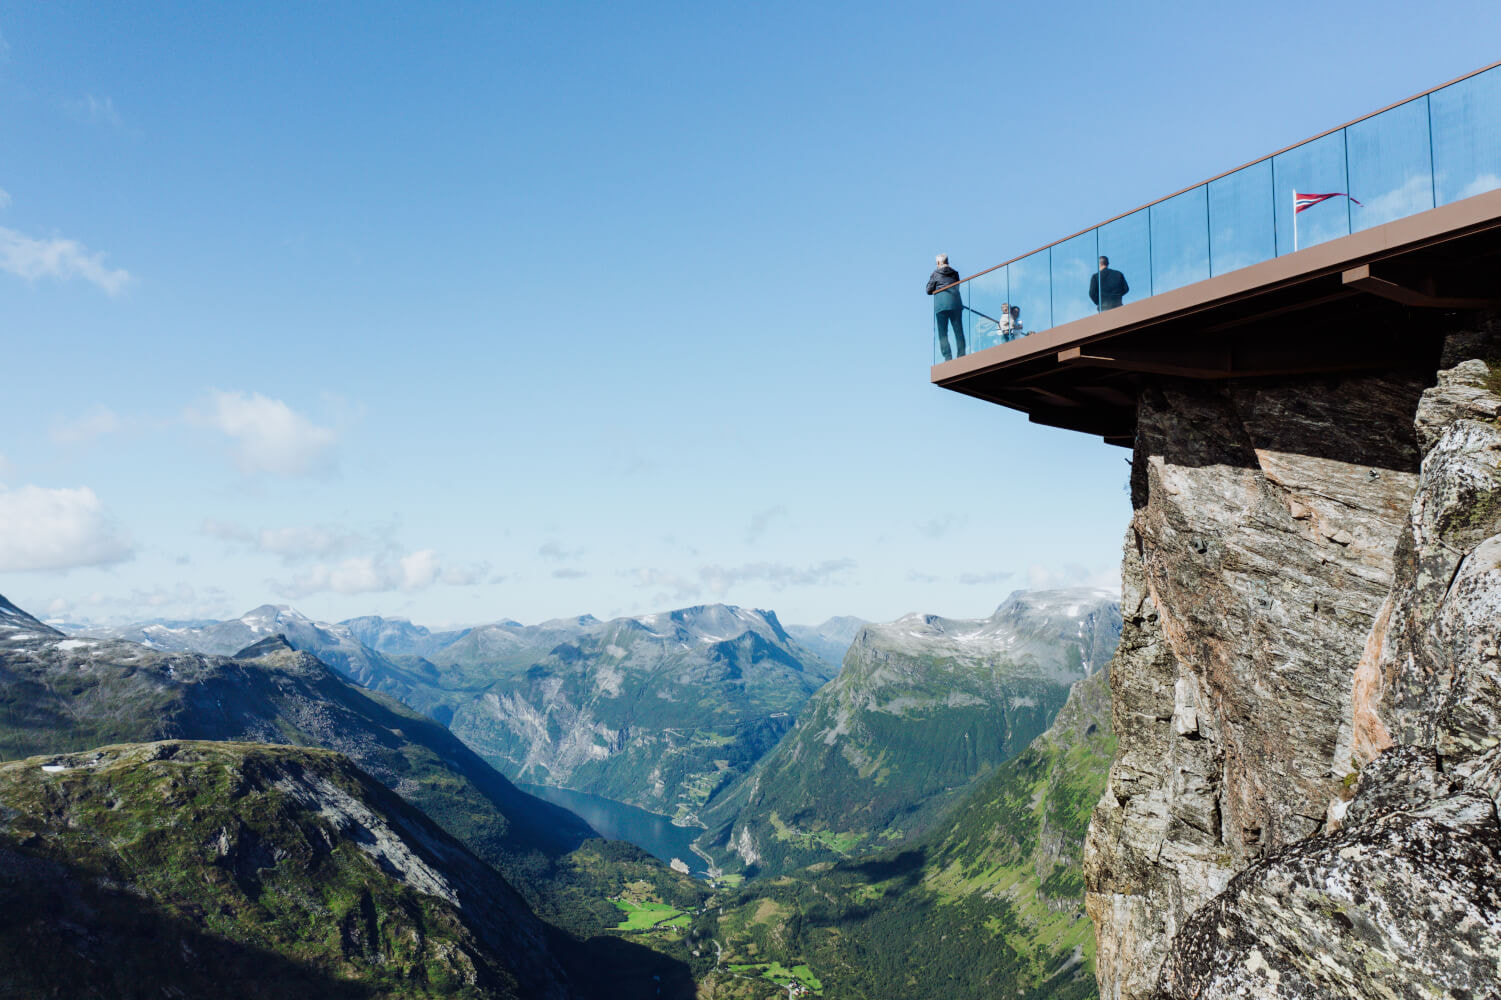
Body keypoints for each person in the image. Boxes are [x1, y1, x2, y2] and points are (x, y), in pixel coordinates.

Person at [926, 254, 965, 360]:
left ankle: (948, 357)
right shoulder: (955, 273)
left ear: (938, 263)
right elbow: (957, 286)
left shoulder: (935, 274)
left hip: (941, 306)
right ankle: (961, 354)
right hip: (955, 303)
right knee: (958, 330)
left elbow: (928, 290)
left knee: (943, 332)